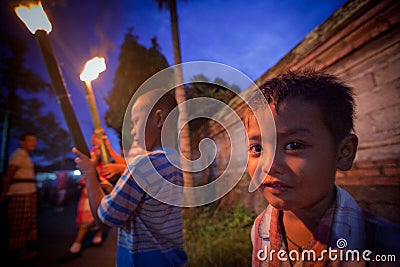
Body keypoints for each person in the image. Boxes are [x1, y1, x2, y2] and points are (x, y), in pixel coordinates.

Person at [245, 68, 400, 266]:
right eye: (257, 148)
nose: (269, 165)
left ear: (344, 152)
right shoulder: (260, 228)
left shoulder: (386, 247)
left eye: (294, 145)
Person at [73, 89, 188, 266]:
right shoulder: (175, 162)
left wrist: (89, 174)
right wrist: (113, 192)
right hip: (169, 259)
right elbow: (144, 207)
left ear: (159, 119)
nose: (133, 131)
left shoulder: (143, 164)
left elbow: (104, 219)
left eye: (136, 121)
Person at [57, 133, 115, 263]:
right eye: (93, 135)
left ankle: (76, 246)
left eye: (95, 136)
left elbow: (92, 163)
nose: (92, 138)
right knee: (96, 211)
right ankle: (98, 236)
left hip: (93, 185)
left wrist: (86, 161)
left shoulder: (98, 151)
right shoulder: (100, 151)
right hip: (96, 184)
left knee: (87, 217)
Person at [1, 132, 38, 262]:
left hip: (28, 191)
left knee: (27, 220)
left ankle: (23, 249)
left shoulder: (26, 155)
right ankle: (16, 251)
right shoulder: (19, 153)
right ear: (22, 142)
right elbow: (10, 172)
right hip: (20, 192)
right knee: (19, 222)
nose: (33, 143)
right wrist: (4, 191)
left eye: (34, 141)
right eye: (30, 141)